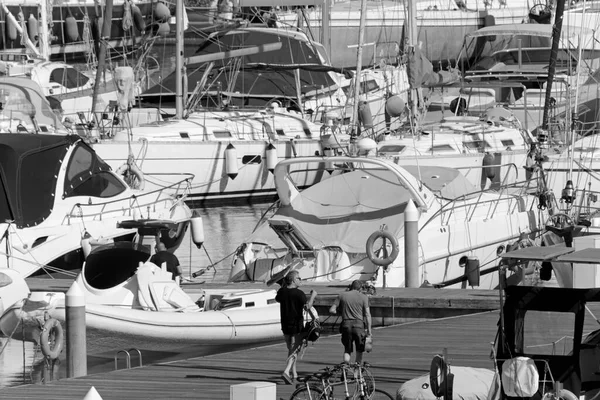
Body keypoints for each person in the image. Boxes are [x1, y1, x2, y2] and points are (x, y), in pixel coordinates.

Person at [275, 270, 317, 385]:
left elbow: (277, 298)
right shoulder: (299, 294)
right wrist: (313, 296)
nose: (301, 280)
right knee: (295, 350)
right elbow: (307, 307)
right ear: (293, 280)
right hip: (296, 325)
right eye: (299, 278)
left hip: (285, 324)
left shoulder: (282, 292)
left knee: (291, 349)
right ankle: (286, 371)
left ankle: (294, 373)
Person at [329, 280, 372, 364]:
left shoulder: (341, 295)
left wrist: (339, 311)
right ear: (360, 288)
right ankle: (357, 374)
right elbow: (367, 315)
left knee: (347, 349)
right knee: (359, 350)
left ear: (351, 287)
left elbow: (331, 310)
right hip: (359, 325)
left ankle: (345, 369)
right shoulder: (364, 297)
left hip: (346, 324)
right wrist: (369, 331)